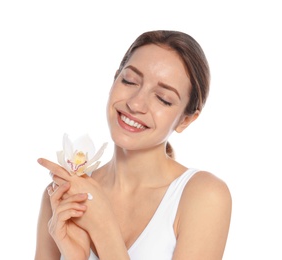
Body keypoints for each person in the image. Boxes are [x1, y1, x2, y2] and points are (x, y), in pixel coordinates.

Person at [35, 30, 232, 260]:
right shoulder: (62, 197)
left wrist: (103, 228)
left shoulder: (204, 196)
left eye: (163, 98)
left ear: (186, 120)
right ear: (115, 79)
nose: (136, 103)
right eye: (129, 80)